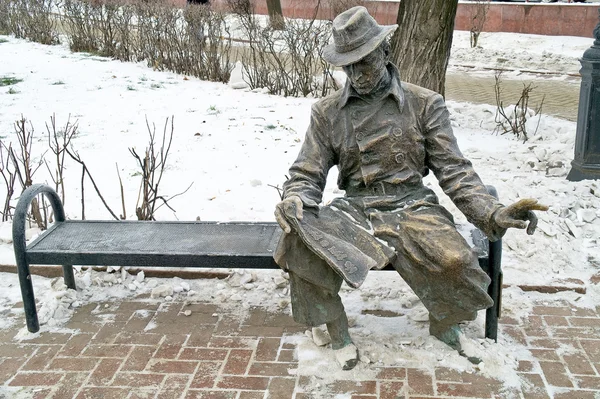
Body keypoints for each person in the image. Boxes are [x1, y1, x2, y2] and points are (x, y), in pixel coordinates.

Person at [274, 6, 547, 371]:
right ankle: (335, 328)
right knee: (301, 245)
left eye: (364, 62)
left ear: (385, 53)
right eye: (348, 66)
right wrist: (296, 197)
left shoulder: (425, 104)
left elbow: (455, 171)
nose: (357, 74)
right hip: (355, 208)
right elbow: (307, 171)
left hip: (412, 205)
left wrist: (492, 212)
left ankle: (446, 324)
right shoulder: (328, 112)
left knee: (456, 260)